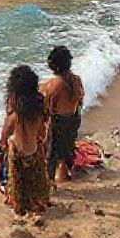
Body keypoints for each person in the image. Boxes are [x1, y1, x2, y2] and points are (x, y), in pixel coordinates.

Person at [0, 65, 50, 216]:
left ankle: (17, 202)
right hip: (34, 151)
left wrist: (1, 144)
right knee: (35, 180)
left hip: (17, 155)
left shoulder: (15, 117)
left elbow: (3, 138)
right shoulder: (39, 112)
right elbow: (42, 134)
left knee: (15, 181)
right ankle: (36, 200)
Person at [41, 45, 84, 183]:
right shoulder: (76, 80)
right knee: (67, 148)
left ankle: (50, 180)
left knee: (52, 153)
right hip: (74, 118)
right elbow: (81, 99)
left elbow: (49, 108)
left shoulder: (53, 85)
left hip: (58, 121)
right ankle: (65, 174)